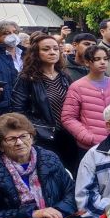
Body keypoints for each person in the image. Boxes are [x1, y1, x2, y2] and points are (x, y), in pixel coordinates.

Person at [10, 34, 78, 169]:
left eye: (55, 49)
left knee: (70, 173)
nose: (52, 52)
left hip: (69, 135)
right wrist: (38, 130)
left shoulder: (64, 76)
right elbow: (17, 111)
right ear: (36, 53)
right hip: (43, 138)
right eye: (46, 49)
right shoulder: (27, 78)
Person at [61, 45, 110, 151]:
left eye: (105, 59)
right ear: (87, 62)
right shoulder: (77, 87)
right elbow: (68, 117)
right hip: (90, 146)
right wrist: (87, 137)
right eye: (97, 59)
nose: (102, 62)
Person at [0, 22, 19, 115]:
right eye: (7, 33)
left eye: (15, 32)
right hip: (4, 109)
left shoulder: (27, 54)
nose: (13, 36)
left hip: (28, 107)